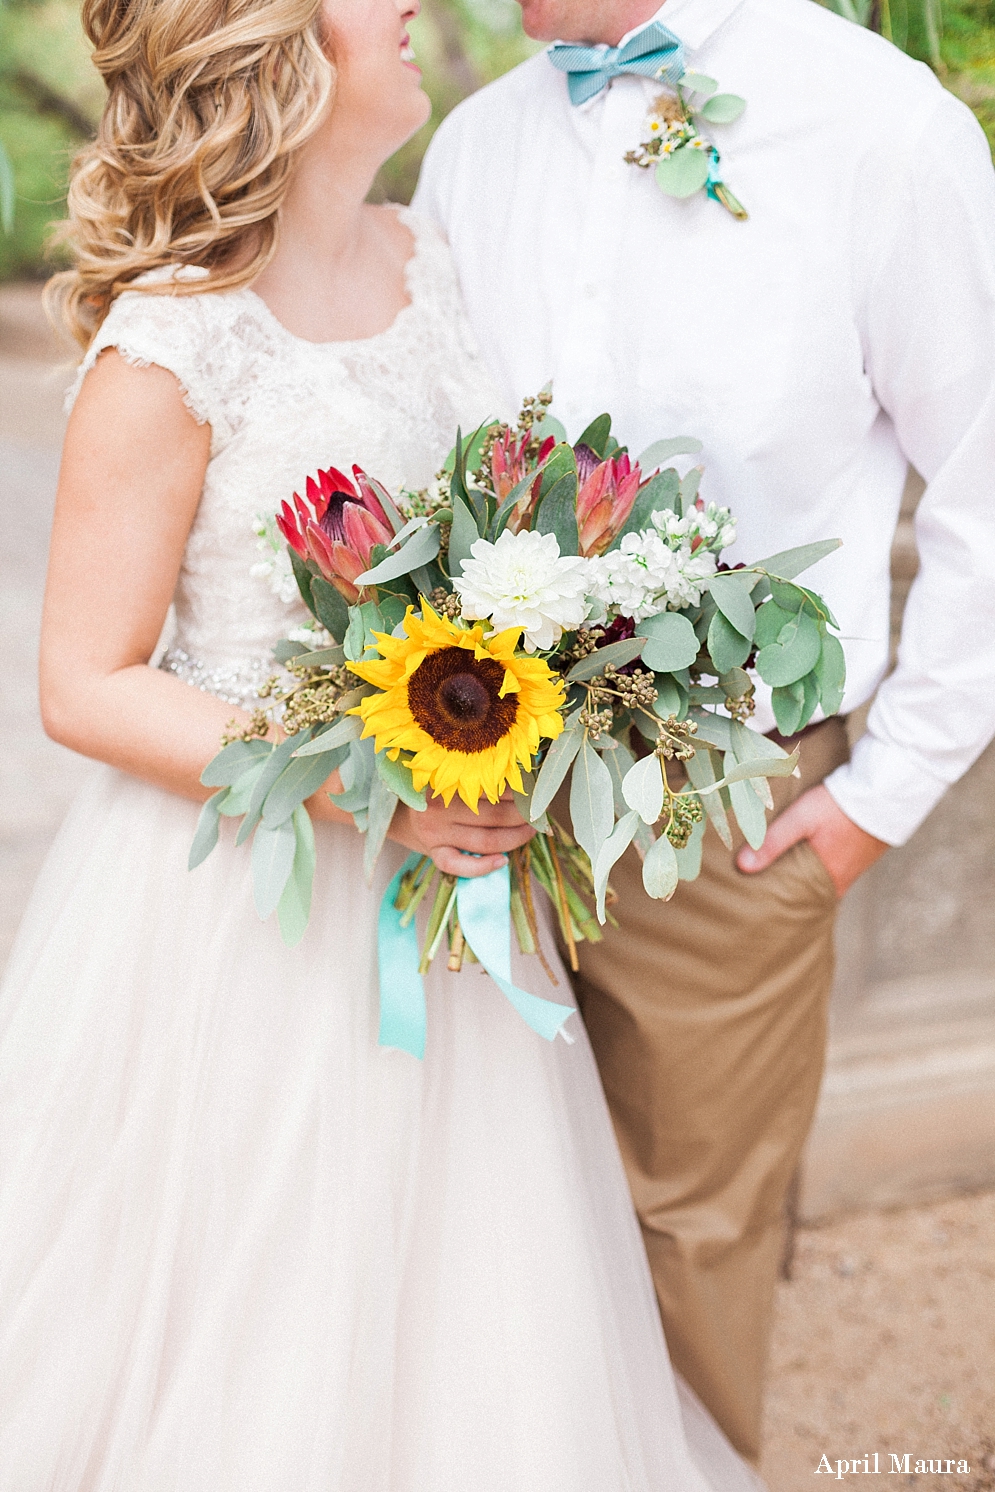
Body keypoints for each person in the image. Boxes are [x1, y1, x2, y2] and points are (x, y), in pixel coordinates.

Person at [0, 0, 766, 1486]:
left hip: (460, 893)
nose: (411, 3)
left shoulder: (426, 261)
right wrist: (383, 785)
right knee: (265, 1304)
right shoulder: (171, 344)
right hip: (248, 913)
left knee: (477, 1300)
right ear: (274, 50)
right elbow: (84, 684)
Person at [414, 0, 995, 1463]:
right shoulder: (472, 148)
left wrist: (883, 797)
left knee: (692, 1238)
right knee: (468, 1228)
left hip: (731, 818)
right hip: (471, 793)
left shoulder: (879, 121)